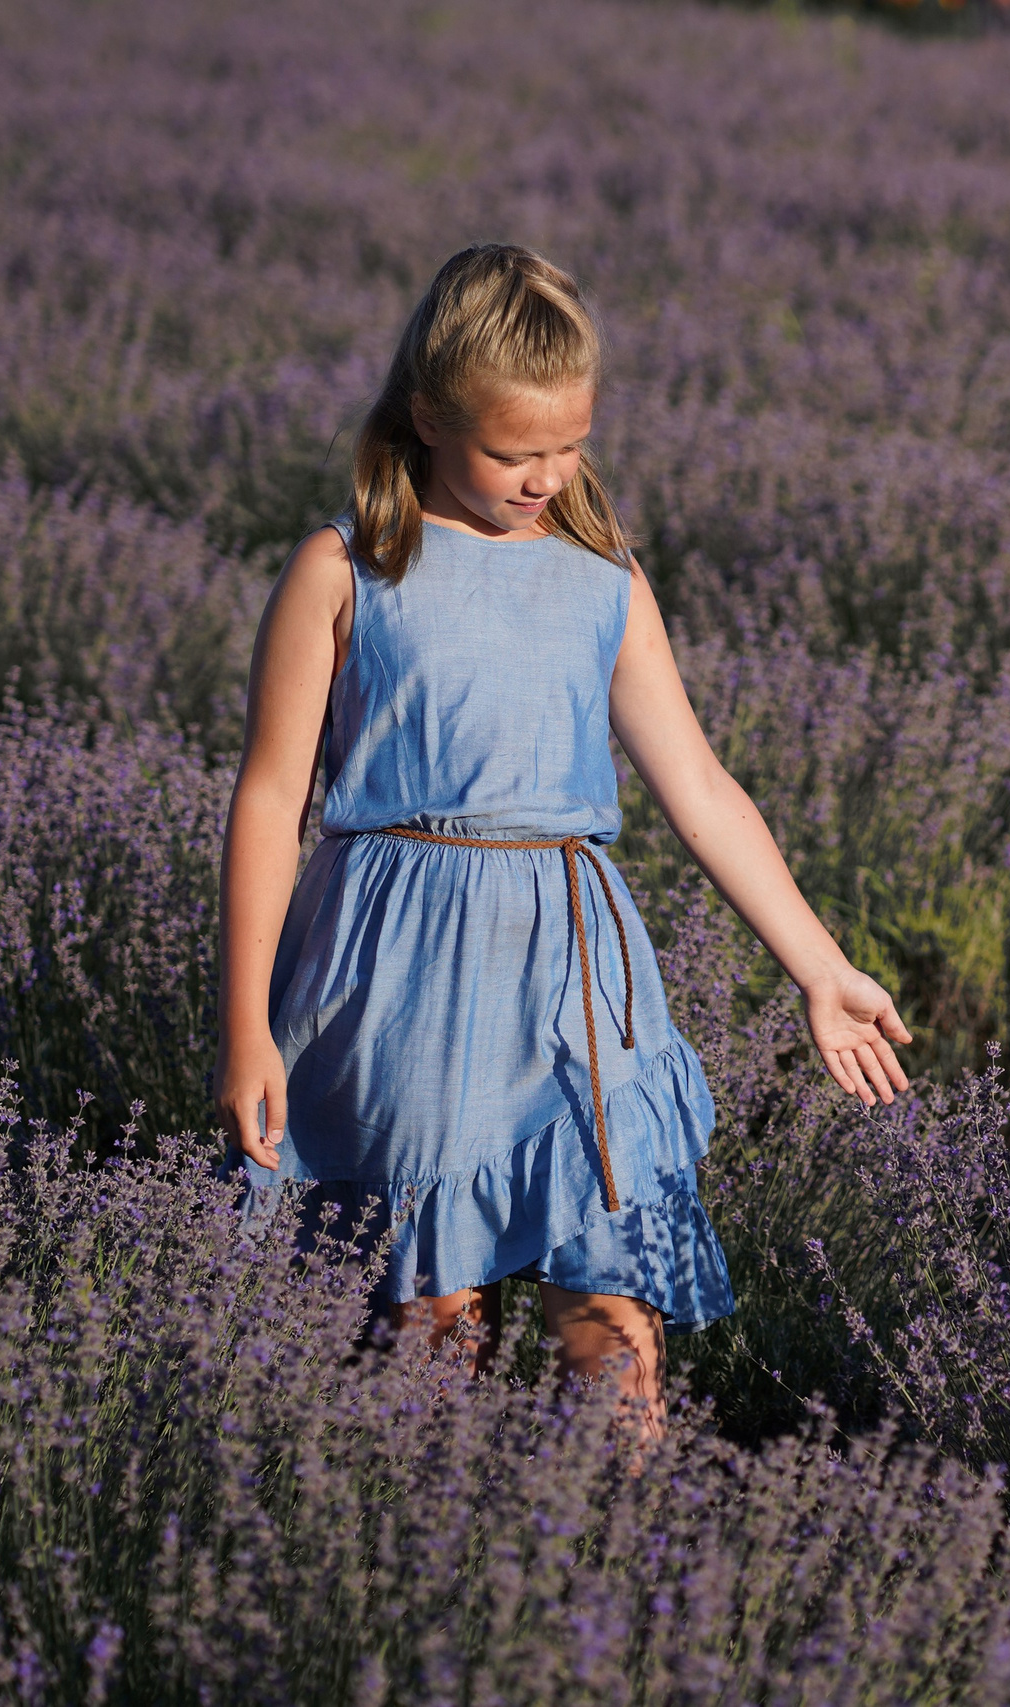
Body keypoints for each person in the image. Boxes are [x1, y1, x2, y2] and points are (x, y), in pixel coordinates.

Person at [213, 243, 912, 1432]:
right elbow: (271, 802)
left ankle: (617, 1565)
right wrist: (245, 1032)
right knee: (427, 1315)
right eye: (513, 452)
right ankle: (435, 1563)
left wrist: (822, 969)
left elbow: (700, 788)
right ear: (428, 416)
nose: (545, 477)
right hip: (399, 968)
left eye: (568, 447)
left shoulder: (602, 579)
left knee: (611, 1287)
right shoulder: (348, 568)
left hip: (581, 965)